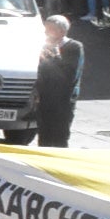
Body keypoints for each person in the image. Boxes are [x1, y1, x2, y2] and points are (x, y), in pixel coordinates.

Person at [34, 15, 83, 148]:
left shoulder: (74, 47)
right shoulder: (44, 46)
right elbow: (41, 71)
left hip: (63, 101)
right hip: (45, 99)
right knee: (44, 136)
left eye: (50, 29)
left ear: (61, 31)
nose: (46, 32)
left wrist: (56, 56)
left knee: (59, 137)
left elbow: (70, 75)